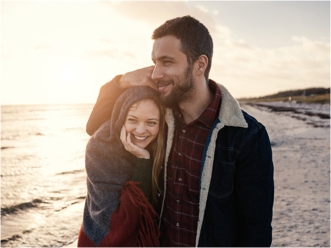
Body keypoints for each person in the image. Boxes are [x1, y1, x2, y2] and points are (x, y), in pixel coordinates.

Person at [86, 15, 274, 247]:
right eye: (154, 62)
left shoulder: (247, 136)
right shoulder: (157, 120)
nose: (155, 73)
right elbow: (94, 127)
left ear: (200, 64)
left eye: (167, 62)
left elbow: (256, 228)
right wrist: (123, 80)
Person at [78, 86, 168, 247]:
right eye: (132, 120)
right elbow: (118, 221)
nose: (141, 130)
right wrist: (143, 160)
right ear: (121, 118)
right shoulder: (100, 149)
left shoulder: (161, 146)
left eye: (151, 122)